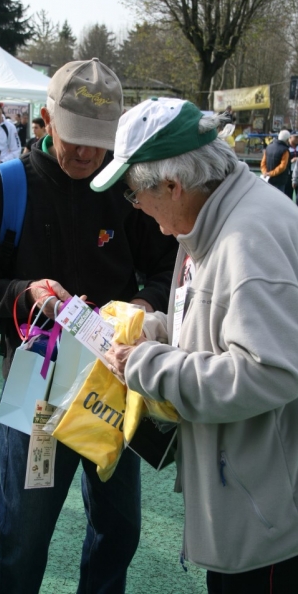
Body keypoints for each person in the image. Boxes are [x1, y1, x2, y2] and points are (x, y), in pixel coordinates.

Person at [0, 59, 178, 594]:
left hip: (115, 380)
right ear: (46, 119)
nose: (85, 153)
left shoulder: (127, 190)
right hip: (36, 388)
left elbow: (170, 267)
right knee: (23, 540)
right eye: (75, 136)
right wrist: (23, 295)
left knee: (119, 532)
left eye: (98, 140)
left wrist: (141, 308)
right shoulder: (7, 185)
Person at [92, 97, 298, 594]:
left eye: (134, 194)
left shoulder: (248, 236)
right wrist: (160, 330)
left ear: (172, 185)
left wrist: (150, 363)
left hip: (266, 521)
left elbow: (270, 371)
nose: (135, 206)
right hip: (254, 503)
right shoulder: (219, 217)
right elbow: (224, 326)